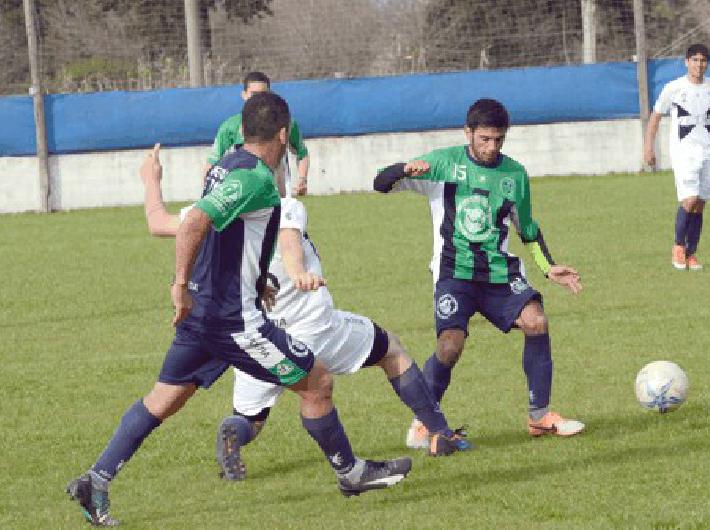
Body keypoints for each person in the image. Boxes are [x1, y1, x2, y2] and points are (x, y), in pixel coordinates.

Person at [66, 93, 410, 527]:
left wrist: (256, 281)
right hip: (233, 321)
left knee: (163, 399)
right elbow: (195, 224)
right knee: (317, 380)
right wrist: (179, 286)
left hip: (205, 316)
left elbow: (223, 234)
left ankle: (95, 480)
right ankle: (350, 473)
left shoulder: (225, 167)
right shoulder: (257, 180)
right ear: (283, 134)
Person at [140, 145, 468, 481]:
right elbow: (288, 241)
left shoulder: (214, 210)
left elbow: (159, 223)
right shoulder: (283, 206)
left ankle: (234, 434)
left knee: (251, 419)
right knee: (390, 350)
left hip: (254, 336)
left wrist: (152, 180)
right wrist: (298, 273)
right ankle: (438, 432)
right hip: (311, 330)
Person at [373, 98, 585, 449]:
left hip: (499, 273)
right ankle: (426, 422)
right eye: (484, 138)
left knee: (536, 322)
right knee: (450, 344)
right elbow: (380, 184)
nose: (491, 147)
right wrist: (401, 169)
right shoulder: (442, 164)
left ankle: (540, 417)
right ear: (468, 132)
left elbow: (527, 228)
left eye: (498, 139)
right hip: (454, 273)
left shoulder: (514, 175)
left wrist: (549, 268)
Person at [644, 43, 710, 271]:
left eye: (703, 60)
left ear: (708, 64)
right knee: (690, 199)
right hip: (684, 153)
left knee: (701, 203)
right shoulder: (673, 88)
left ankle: (691, 253)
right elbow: (655, 117)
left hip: (708, 152)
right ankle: (677, 246)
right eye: (694, 60)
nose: (699, 64)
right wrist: (648, 148)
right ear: (686, 62)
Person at [203, 71, 311, 197]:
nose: (258, 99)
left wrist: (302, 180)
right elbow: (212, 162)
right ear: (244, 95)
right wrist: (206, 196)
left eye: (263, 94)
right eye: (253, 94)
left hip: (278, 199)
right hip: (243, 200)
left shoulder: (286, 123)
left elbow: (302, 153)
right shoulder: (230, 127)